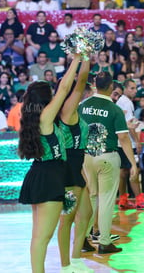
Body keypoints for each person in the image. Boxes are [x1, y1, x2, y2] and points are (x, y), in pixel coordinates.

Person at [18, 54, 81, 273]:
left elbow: (63, 91)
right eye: (51, 95)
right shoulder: (45, 117)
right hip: (49, 176)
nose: (56, 96)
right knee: (43, 237)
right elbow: (64, 88)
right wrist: (77, 59)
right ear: (46, 99)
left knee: (39, 236)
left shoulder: (35, 118)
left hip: (41, 173)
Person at [79, 71, 137, 254]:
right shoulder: (114, 109)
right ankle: (104, 242)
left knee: (90, 198)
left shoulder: (83, 105)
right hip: (107, 156)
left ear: (95, 84)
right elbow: (124, 138)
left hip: (87, 156)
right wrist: (133, 163)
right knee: (106, 200)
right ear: (111, 87)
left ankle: (82, 239)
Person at [57, 59, 93, 273]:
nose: (83, 92)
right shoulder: (67, 110)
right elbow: (81, 82)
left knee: (87, 214)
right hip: (67, 172)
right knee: (67, 219)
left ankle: (77, 259)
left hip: (76, 168)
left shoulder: (74, 110)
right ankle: (65, 265)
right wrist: (84, 57)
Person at [116, 79, 144, 209]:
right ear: (125, 89)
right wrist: (137, 141)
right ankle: (139, 199)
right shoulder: (126, 102)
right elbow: (129, 126)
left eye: (135, 88)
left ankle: (123, 199)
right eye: (131, 88)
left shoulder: (121, 101)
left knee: (123, 171)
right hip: (126, 141)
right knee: (133, 168)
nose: (135, 91)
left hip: (119, 142)